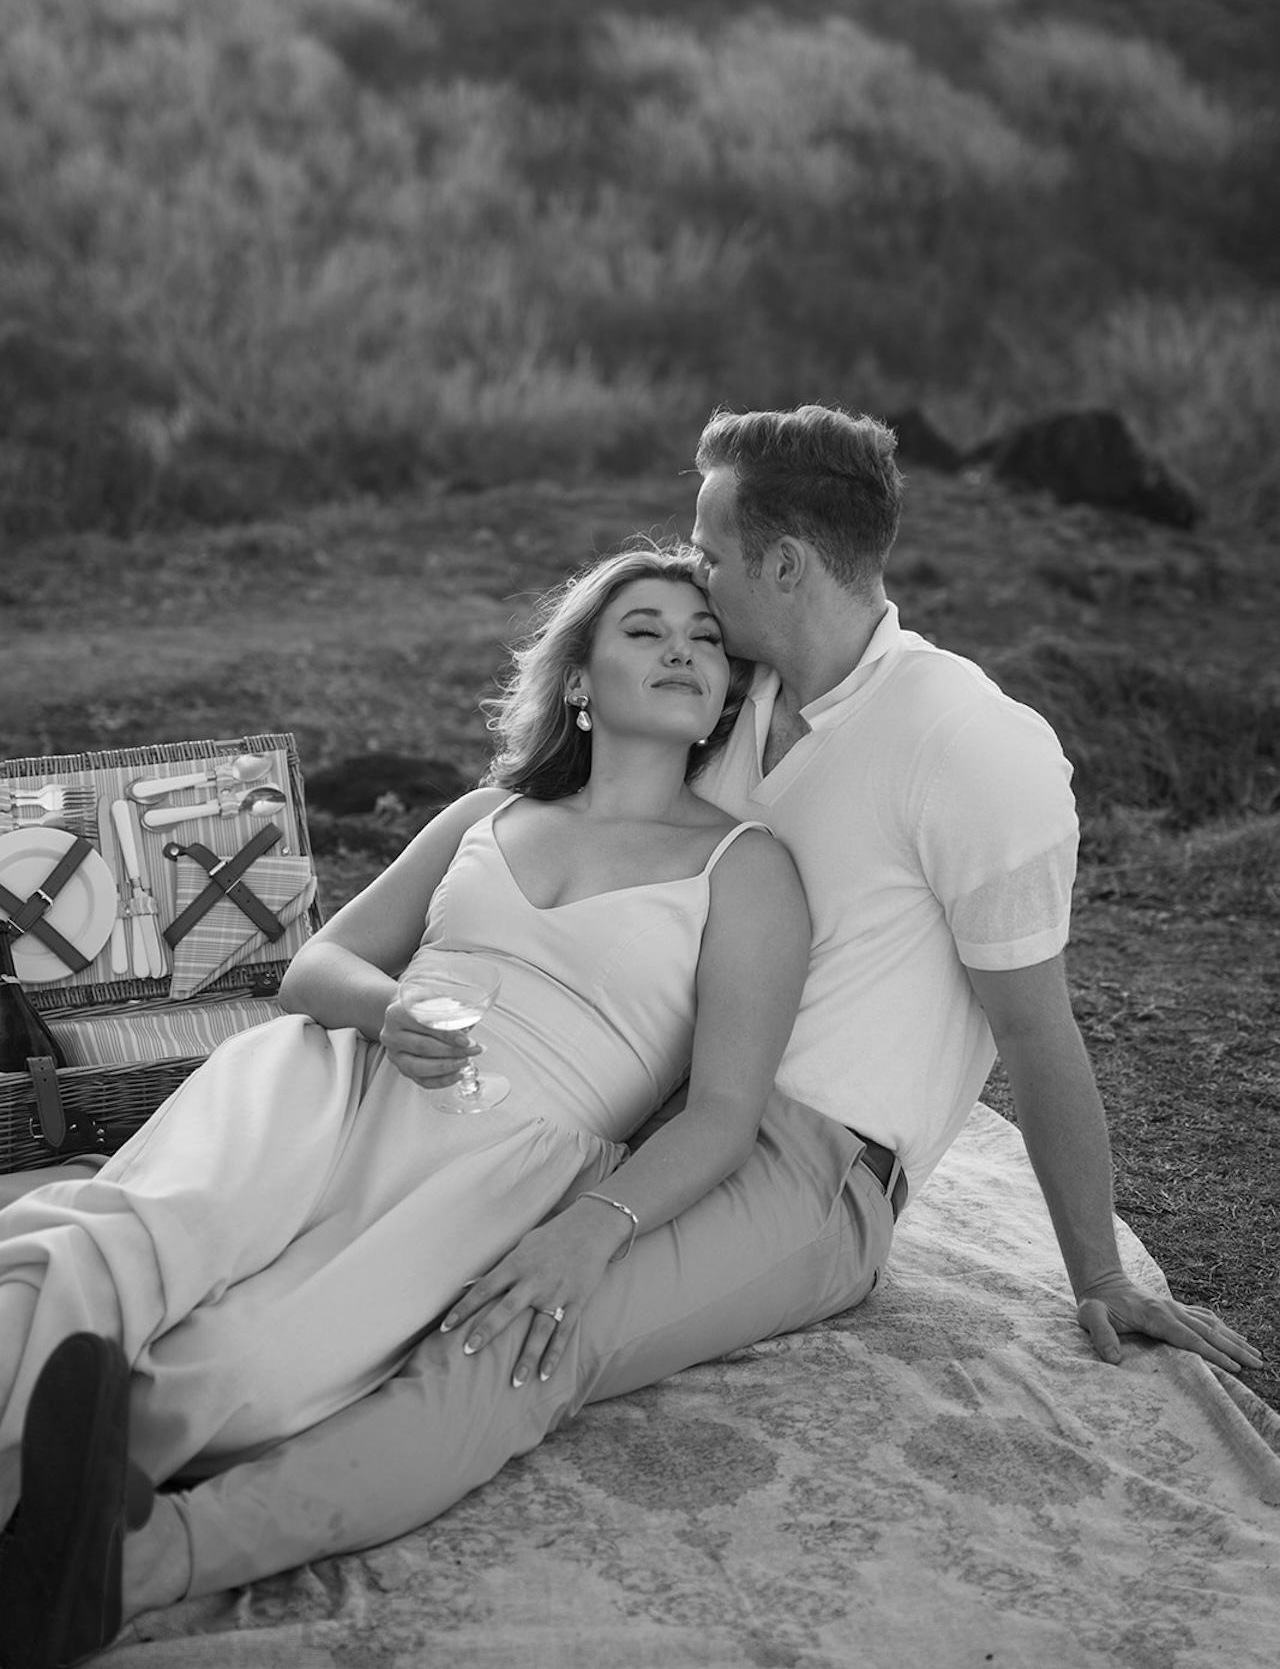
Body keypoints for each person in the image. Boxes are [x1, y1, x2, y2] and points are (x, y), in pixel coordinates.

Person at [12, 406, 1264, 1653]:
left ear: (781, 565)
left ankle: (138, 1561)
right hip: (641, 1117)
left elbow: (1038, 1033)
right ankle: (89, 1428)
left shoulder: (970, 743)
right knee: (311, 1257)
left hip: (815, 1158)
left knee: (519, 1343)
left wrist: (1095, 1271)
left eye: (710, 555)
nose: (693, 581)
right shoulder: (737, 705)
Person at [0, 547, 813, 1669]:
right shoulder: (489, 811)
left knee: (254, 1379)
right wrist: (389, 1014)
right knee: (138, 1237)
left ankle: (53, 1489)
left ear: (725, 692)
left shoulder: (745, 866)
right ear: (577, 680)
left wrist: (593, 1228)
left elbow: (723, 1113)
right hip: (335, 1074)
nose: (682, 647)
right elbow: (314, 964)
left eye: (705, 637)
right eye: (643, 628)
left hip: (502, 1166)